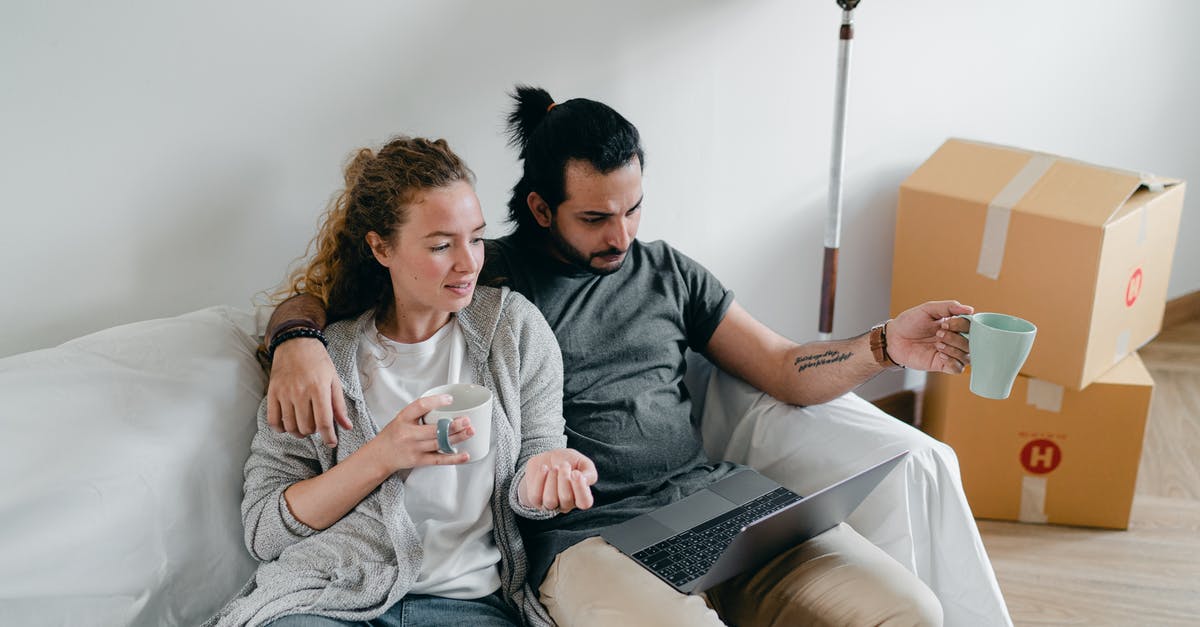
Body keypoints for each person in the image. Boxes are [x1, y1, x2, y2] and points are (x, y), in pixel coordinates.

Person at [263, 88, 1010, 626]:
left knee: (910, 609)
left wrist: (884, 345)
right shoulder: (490, 284)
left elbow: (784, 367)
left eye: (633, 209)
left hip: (716, 507)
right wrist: (297, 339)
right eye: (595, 218)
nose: (621, 237)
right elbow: (353, 294)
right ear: (541, 209)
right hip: (588, 541)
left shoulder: (667, 272)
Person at [209, 136, 597, 627]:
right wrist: (384, 454)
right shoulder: (325, 359)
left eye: (476, 238)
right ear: (381, 248)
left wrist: (545, 481)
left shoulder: (514, 331)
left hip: (466, 607)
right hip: (329, 597)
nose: (468, 263)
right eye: (441, 246)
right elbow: (264, 530)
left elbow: (536, 460)